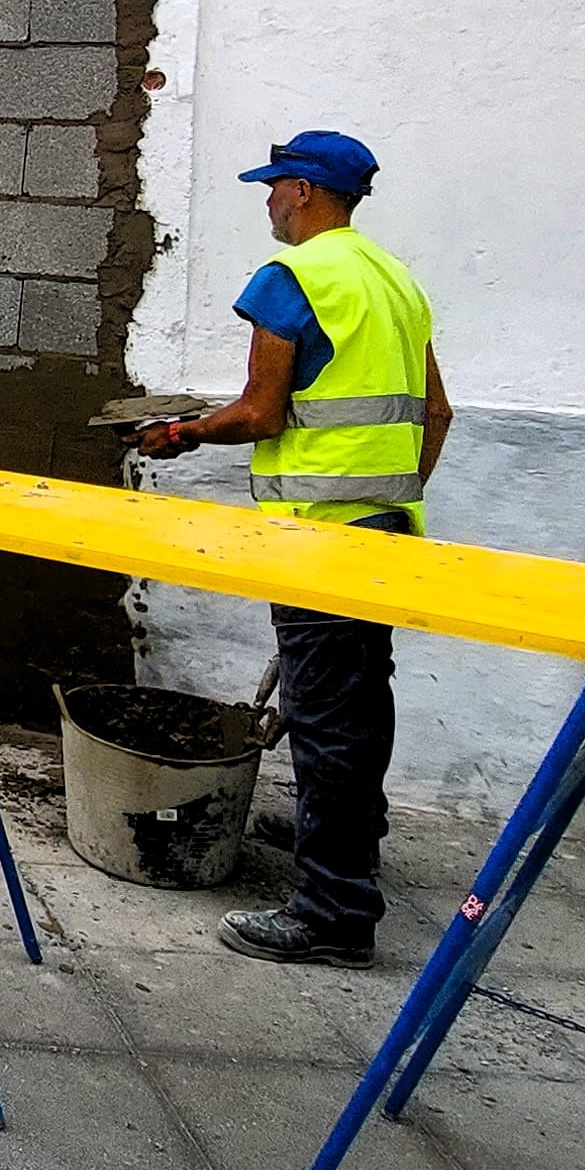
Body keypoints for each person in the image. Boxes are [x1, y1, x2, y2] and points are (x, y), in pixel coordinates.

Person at [136, 130, 453, 968]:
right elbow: (439, 414)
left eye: (274, 186)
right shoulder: (395, 281)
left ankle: (336, 910)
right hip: (380, 530)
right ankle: (341, 832)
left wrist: (182, 432)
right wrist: (387, 495)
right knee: (357, 701)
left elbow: (262, 412)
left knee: (324, 715)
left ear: (306, 191)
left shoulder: (293, 279)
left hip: (318, 536)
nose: (269, 200)